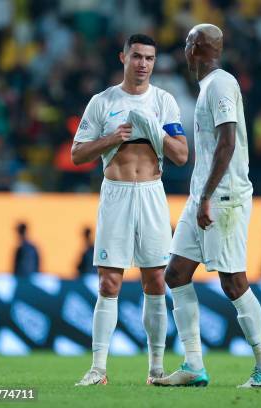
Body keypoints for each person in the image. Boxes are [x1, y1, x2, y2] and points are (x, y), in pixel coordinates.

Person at [152, 24, 261, 389]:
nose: (184, 46)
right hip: (202, 195)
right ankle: (193, 364)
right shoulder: (208, 86)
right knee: (175, 274)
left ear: (199, 48)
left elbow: (228, 142)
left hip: (224, 197)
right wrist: (199, 195)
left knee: (234, 282)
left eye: (188, 41)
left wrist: (206, 195)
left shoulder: (221, 84)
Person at [71, 34, 188, 386]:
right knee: (109, 281)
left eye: (149, 59)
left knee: (155, 280)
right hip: (116, 194)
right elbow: (77, 154)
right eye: (136, 56)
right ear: (123, 57)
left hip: (152, 193)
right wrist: (112, 138)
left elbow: (181, 156)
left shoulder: (164, 101)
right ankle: (98, 370)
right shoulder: (103, 102)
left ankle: (155, 369)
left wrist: (155, 131)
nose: (142, 64)